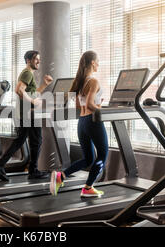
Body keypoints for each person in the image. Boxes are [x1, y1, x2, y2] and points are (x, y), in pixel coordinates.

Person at [50, 50, 108, 197]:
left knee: (88, 158)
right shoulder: (93, 81)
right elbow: (89, 105)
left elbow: (77, 105)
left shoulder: (80, 82)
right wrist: (100, 108)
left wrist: (95, 104)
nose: (99, 65)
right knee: (102, 155)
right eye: (98, 62)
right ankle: (88, 187)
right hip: (92, 122)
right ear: (93, 63)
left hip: (81, 122)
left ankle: (61, 176)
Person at [0, 50, 54, 181]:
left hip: (24, 113)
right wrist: (32, 101)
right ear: (29, 60)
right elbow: (19, 90)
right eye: (36, 59)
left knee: (20, 140)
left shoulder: (28, 74)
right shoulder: (27, 73)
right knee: (37, 141)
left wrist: (44, 85)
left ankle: (0, 165)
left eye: (39, 59)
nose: (39, 61)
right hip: (29, 114)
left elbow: (33, 93)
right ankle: (33, 170)